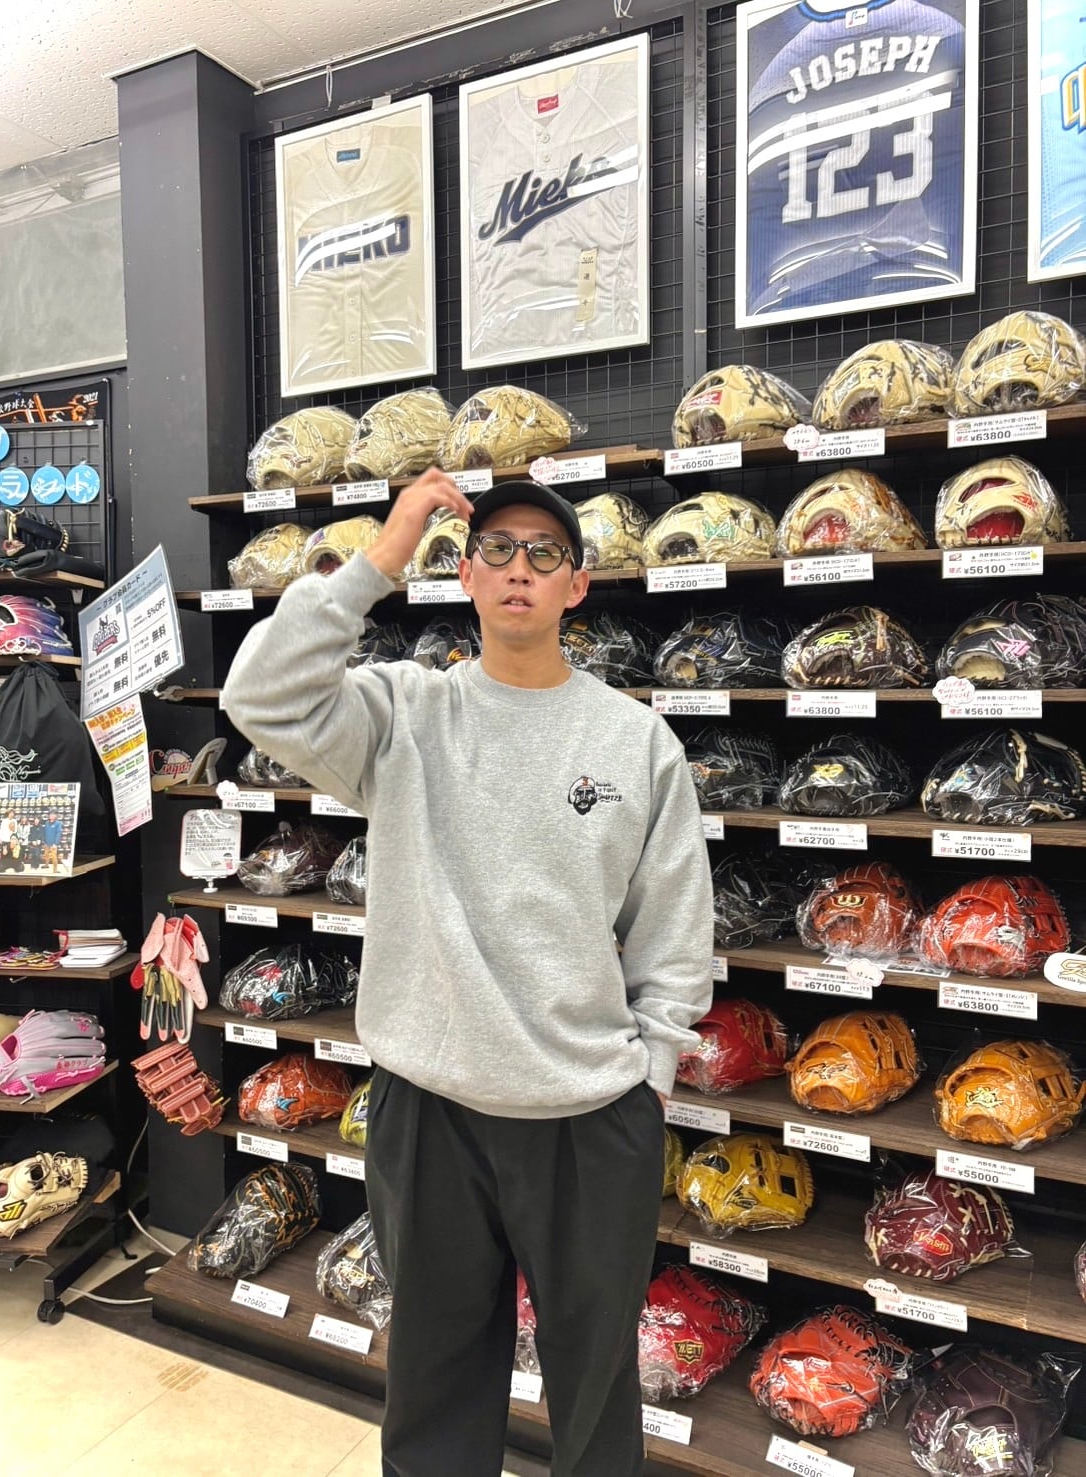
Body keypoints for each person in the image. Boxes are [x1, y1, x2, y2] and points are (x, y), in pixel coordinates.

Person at [223, 469, 713, 1477]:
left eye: (544, 552)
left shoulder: (635, 741)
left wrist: (654, 1073)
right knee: (436, 1382)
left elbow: (674, 926)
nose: (519, 567)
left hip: (589, 1116)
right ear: (466, 574)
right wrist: (380, 555)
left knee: (594, 1388)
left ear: (577, 584)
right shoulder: (405, 714)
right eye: (496, 547)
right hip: (430, 1107)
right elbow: (257, 695)